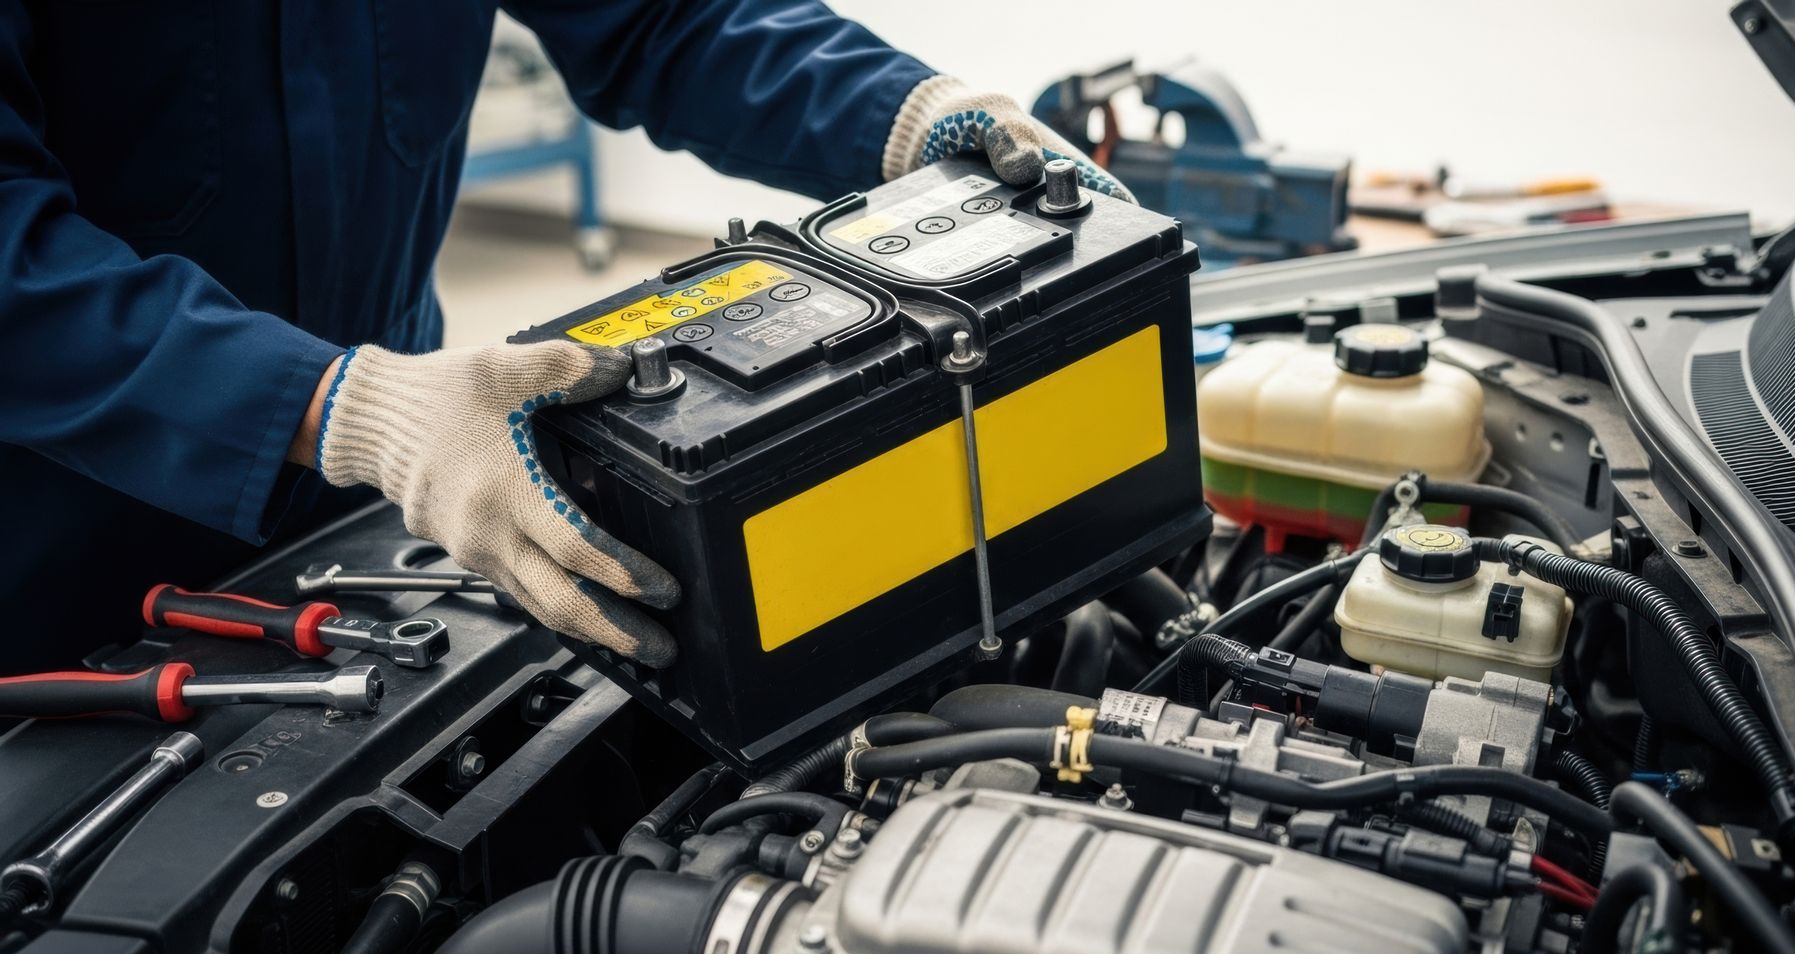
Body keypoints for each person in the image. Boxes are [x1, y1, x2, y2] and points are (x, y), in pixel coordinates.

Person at [0, 1, 1130, 674]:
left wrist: (904, 117)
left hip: (386, 491)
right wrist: (335, 409)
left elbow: (661, 18)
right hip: (62, 541)